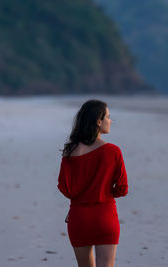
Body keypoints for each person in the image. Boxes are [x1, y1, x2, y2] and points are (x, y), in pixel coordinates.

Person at [57, 99, 128, 267]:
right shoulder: (113, 151)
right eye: (108, 117)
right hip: (105, 216)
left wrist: (80, 197)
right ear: (98, 121)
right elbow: (123, 188)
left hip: (79, 218)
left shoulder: (70, 152)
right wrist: (104, 192)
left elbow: (64, 187)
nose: (111, 121)